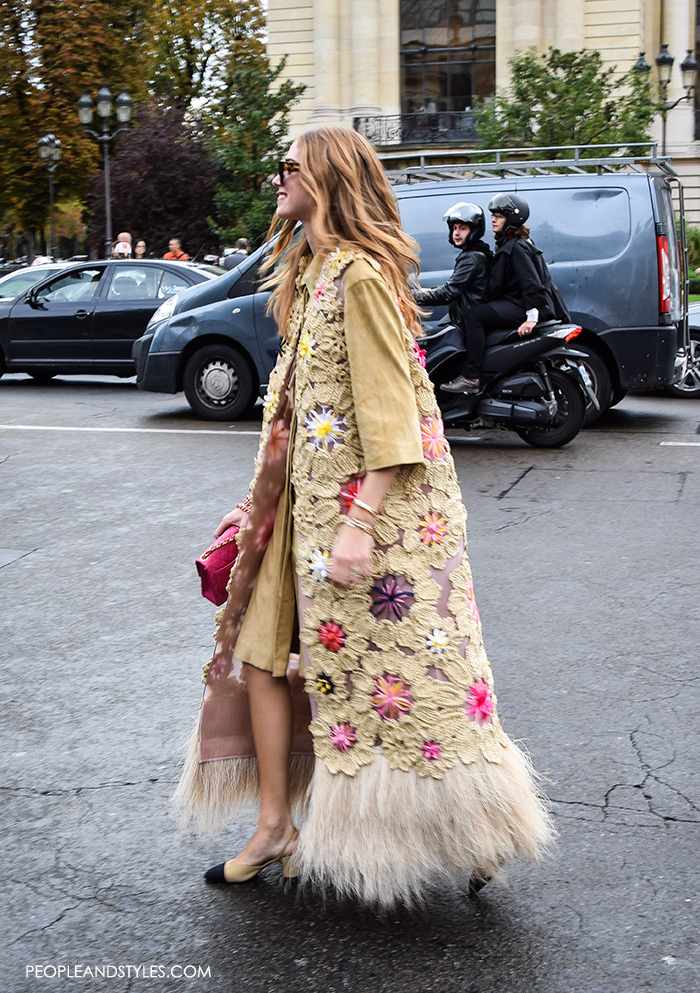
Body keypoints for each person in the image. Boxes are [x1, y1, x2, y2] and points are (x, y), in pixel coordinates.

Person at [174, 127, 554, 908]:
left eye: (291, 166)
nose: (278, 176)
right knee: (261, 659)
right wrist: (259, 501)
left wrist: (359, 522)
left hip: (355, 523)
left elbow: (394, 418)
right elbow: (298, 412)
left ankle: (476, 827)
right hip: (296, 517)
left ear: (330, 178)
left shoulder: (362, 278)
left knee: (410, 680)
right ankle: (277, 826)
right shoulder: (312, 272)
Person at [445, 193, 569, 393]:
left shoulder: (517, 247)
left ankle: (470, 376)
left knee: (474, 314)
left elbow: (531, 284)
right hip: (518, 303)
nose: (493, 219)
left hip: (520, 306)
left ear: (512, 219)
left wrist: (531, 318)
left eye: (500, 216)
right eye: (493, 215)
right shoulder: (514, 242)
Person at [411, 202, 490, 393]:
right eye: (455, 228)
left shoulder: (471, 258)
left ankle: (470, 377)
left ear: (474, 230)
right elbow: (456, 286)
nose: (457, 233)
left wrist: (415, 297)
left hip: (469, 315)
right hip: (463, 312)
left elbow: (449, 292)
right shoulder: (474, 254)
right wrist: (426, 290)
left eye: (463, 228)